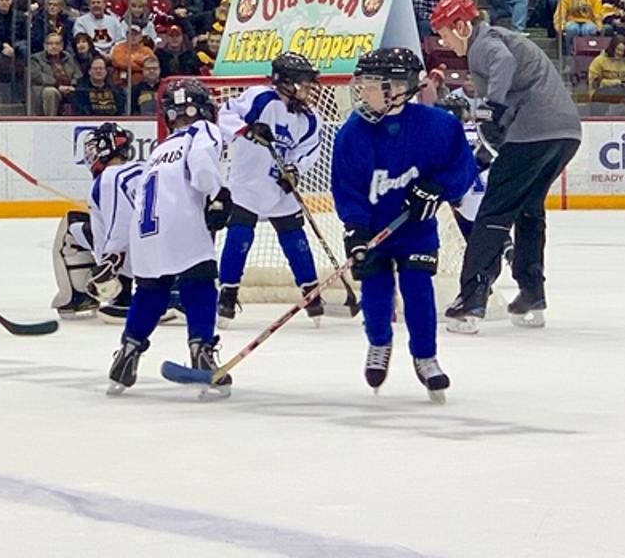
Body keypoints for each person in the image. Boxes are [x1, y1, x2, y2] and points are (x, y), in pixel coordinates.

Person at [332, 47, 477, 401]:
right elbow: (347, 187)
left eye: (370, 84)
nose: (362, 91)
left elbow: (463, 168)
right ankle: (378, 344)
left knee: (418, 289)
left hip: (415, 230)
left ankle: (426, 356)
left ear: (398, 88)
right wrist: (355, 229)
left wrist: (438, 188)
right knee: (377, 293)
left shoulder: (439, 126)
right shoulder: (351, 134)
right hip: (374, 231)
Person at [431, 0, 582, 332]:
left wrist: (493, 107)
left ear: (462, 25)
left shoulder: (486, 43)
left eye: (445, 32)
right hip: (565, 133)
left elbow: (503, 64)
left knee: (494, 211)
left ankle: (471, 301)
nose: (443, 41)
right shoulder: (500, 39)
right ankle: (532, 293)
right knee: (529, 208)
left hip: (535, 132)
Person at [107, 79, 232, 396]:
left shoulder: (158, 148)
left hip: (145, 230)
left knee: (151, 290)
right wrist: (217, 194)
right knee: (200, 281)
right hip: (181, 220)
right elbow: (203, 163)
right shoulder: (202, 131)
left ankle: (127, 352)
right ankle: (202, 351)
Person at [214, 53, 326, 327]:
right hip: (248, 181)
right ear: (285, 82)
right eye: (304, 83)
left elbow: (308, 150)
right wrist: (247, 130)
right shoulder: (261, 97)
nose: (309, 89)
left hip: (279, 184)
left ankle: (311, 294)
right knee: (240, 236)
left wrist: (295, 171)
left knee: (296, 241)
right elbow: (225, 114)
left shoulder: (310, 118)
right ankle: (227, 295)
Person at [56, 122, 142, 322]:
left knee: (70, 225)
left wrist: (110, 262)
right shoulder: (142, 169)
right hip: (168, 256)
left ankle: (79, 298)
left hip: (133, 259)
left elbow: (119, 224)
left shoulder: (108, 179)